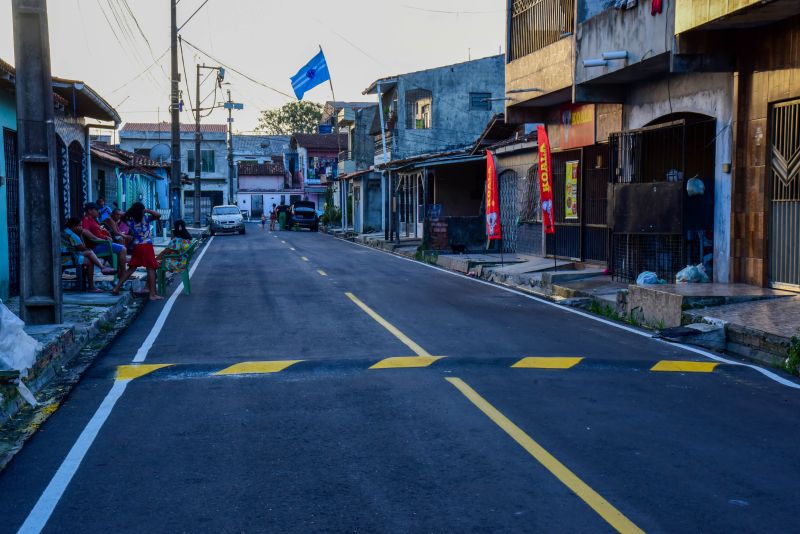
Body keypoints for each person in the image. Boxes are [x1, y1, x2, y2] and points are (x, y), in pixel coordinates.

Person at [111, 202, 163, 301]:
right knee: (151, 268)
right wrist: (147, 210)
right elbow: (158, 215)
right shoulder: (146, 219)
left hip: (137, 246)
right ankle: (152, 294)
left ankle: (116, 288)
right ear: (142, 211)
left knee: (131, 268)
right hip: (146, 246)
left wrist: (132, 211)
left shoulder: (130, 220)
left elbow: (122, 216)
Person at [62, 217, 115, 292]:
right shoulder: (73, 236)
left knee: (89, 257)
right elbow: (83, 248)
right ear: (73, 226)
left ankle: (101, 269)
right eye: (80, 226)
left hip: (64, 255)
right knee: (89, 254)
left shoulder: (65, 231)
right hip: (67, 258)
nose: (81, 228)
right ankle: (93, 283)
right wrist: (80, 235)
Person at [81, 202, 126, 279]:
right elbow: (85, 231)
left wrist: (105, 237)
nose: (98, 211)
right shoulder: (86, 219)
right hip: (95, 246)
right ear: (89, 210)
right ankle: (123, 274)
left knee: (118, 249)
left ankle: (119, 272)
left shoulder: (94, 220)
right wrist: (99, 239)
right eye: (96, 210)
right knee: (123, 249)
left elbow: (98, 232)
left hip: (101, 243)